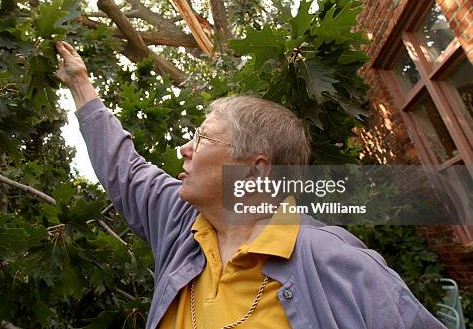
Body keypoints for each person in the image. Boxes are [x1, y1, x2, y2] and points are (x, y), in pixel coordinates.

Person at [54, 41, 446, 329]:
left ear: (255, 170)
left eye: (203, 138)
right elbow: (124, 168)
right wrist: (81, 86)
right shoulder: (181, 223)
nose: (184, 148)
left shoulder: (337, 264)